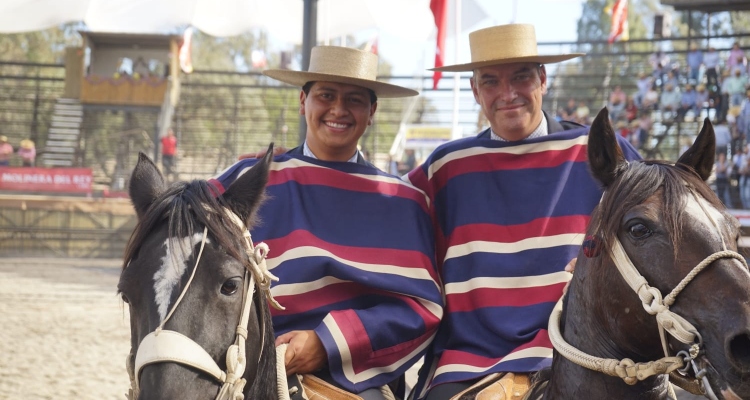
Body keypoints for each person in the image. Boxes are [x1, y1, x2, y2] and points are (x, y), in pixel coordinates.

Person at [404, 24, 641, 400]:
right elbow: (385, 219)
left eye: (521, 77)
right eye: (491, 82)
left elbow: (651, 236)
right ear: (474, 91)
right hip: (468, 359)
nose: (508, 93)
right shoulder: (446, 166)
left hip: (581, 350)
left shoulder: (599, 151)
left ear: (543, 80)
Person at [211, 46, 442, 399]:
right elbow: (181, 228)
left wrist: (326, 343)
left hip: (353, 376)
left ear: (372, 112)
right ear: (303, 102)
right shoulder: (251, 178)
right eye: (325, 96)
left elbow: (421, 308)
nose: (338, 109)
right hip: (242, 364)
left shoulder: (403, 201)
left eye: (354, 99)